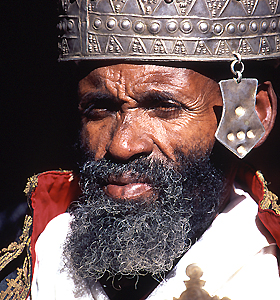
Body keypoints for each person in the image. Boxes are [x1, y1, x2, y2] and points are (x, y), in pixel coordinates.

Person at [1, 0, 280, 299]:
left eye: (164, 107)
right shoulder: (33, 252)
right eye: (100, 109)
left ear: (250, 113)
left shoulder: (266, 272)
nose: (121, 145)